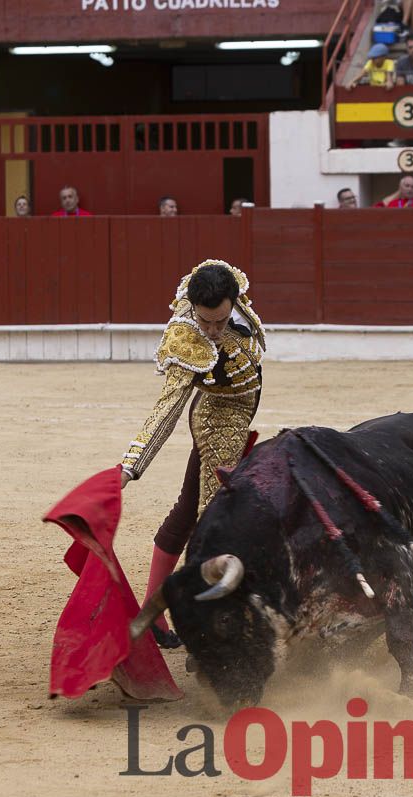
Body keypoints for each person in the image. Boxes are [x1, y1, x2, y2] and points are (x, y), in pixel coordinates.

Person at [120, 259, 265, 648]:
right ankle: (206, 630)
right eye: (206, 322)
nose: (214, 331)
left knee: (189, 510)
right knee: (213, 524)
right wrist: (131, 466)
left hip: (242, 409)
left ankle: (155, 614)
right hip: (220, 418)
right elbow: (166, 410)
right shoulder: (187, 339)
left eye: (220, 321)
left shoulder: (229, 287)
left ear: (233, 301)